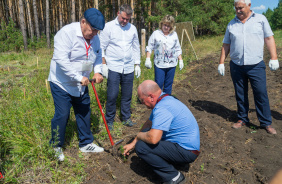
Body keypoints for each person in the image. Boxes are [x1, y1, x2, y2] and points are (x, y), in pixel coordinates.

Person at [48, 8, 105, 161]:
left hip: (82, 83)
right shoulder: (66, 33)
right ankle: (55, 145)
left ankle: (86, 143)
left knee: (84, 110)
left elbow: (98, 56)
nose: (94, 34)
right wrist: (78, 76)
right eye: (92, 30)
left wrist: (98, 71)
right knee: (62, 114)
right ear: (83, 22)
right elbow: (61, 60)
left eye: (97, 31)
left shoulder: (96, 38)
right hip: (62, 82)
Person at [218, 0, 279, 134]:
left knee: (261, 93)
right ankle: (242, 118)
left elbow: (269, 38)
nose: (238, 10)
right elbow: (226, 44)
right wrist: (221, 62)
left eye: (241, 8)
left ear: (249, 5)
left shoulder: (261, 20)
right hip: (237, 65)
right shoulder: (231, 24)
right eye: (236, 8)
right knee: (240, 93)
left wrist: (274, 57)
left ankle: (265, 122)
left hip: (256, 65)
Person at [123, 80, 200, 184]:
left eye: (142, 100)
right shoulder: (165, 98)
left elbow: (153, 139)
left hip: (187, 151)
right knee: (146, 133)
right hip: (187, 146)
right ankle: (171, 162)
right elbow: (148, 124)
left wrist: (139, 136)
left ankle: (174, 177)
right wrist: (133, 142)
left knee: (141, 147)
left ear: (151, 97)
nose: (142, 104)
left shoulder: (162, 108)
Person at [99, 4, 141, 130]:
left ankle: (126, 117)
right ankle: (109, 120)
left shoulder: (132, 29)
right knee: (112, 95)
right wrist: (103, 64)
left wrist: (137, 64)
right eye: (123, 18)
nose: (125, 21)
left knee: (127, 94)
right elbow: (101, 47)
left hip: (128, 67)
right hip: (113, 66)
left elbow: (135, 47)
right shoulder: (108, 27)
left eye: (128, 19)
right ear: (118, 13)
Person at [145, 15, 183, 95]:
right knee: (158, 84)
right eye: (165, 25)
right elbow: (150, 47)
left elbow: (177, 48)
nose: (166, 27)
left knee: (168, 85)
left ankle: (166, 101)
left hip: (172, 64)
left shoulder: (174, 35)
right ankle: (157, 102)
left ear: (171, 27)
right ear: (161, 24)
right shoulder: (156, 34)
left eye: (168, 26)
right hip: (159, 65)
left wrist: (180, 60)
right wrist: (148, 59)